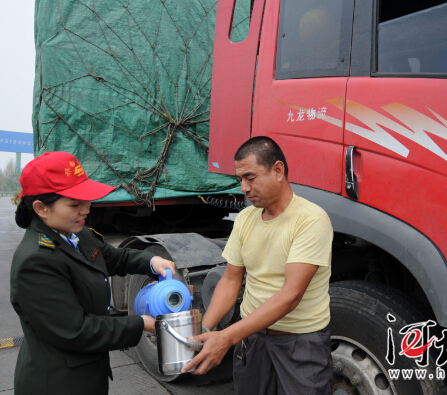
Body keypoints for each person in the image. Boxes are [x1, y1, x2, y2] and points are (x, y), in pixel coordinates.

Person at [10, 151, 175, 395]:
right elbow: (75, 330)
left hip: (86, 374)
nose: (86, 209)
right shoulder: (36, 261)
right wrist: (140, 324)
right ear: (41, 208)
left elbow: (114, 258)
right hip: (57, 383)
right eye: (75, 204)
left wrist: (152, 262)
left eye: (86, 200)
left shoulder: (76, 234)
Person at [182, 136, 334, 395]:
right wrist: (205, 331)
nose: (243, 187)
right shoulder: (245, 219)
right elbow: (231, 280)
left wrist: (227, 336)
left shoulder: (311, 220)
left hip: (299, 342)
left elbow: (290, 295)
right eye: (240, 180)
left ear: (278, 170)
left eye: (250, 178)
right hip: (252, 339)